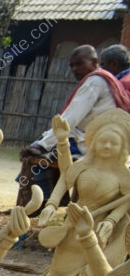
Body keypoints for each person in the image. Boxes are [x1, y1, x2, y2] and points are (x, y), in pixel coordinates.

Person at [18, 45, 130, 206]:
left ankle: (38, 204)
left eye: (79, 64)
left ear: (94, 62)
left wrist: (42, 145)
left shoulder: (96, 81)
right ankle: (53, 199)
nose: (75, 69)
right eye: (72, 65)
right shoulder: (111, 80)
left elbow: (70, 119)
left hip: (89, 145)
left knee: (35, 156)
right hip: (105, 144)